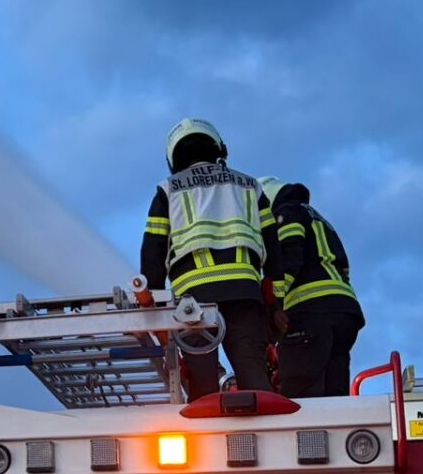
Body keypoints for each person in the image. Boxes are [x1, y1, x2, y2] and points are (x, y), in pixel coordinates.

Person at [140, 119, 275, 400]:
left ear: (174, 157)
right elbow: (273, 244)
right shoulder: (250, 186)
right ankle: (265, 435)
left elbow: (154, 248)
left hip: (194, 299)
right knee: (254, 373)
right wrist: (277, 299)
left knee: (203, 383)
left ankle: (208, 441)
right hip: (244, 292)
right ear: (218, 148)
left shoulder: (169, 189)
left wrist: (152, 301)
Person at [259, 176, 365, 397]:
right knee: (333, 391)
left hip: (311, 313)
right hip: (345, 313)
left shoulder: (285, 213)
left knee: (301, 392)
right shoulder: (318, 218)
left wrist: (275, 304)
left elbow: (290, 259)